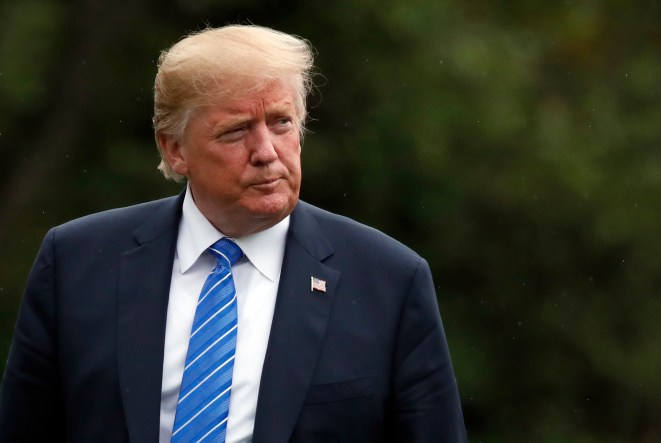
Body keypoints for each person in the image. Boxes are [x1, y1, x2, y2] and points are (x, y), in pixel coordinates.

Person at [0, 24, 466, 442]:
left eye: (281, 123)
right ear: (175, 149)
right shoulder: (77, 262)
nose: (267, 152)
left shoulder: (388, 279)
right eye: (237, 131)